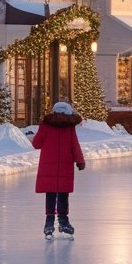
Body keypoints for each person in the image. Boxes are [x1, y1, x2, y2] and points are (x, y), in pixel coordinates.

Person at [33, 101, 86, 237]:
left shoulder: (45, 125)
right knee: (63, 194)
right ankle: (63, 222)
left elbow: (37, 144)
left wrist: (35, 136)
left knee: (50, 194)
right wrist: (80, 160)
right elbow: (74, 145)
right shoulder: (69, 127)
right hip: (65, 165)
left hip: (48, 165)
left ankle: (49, 223)